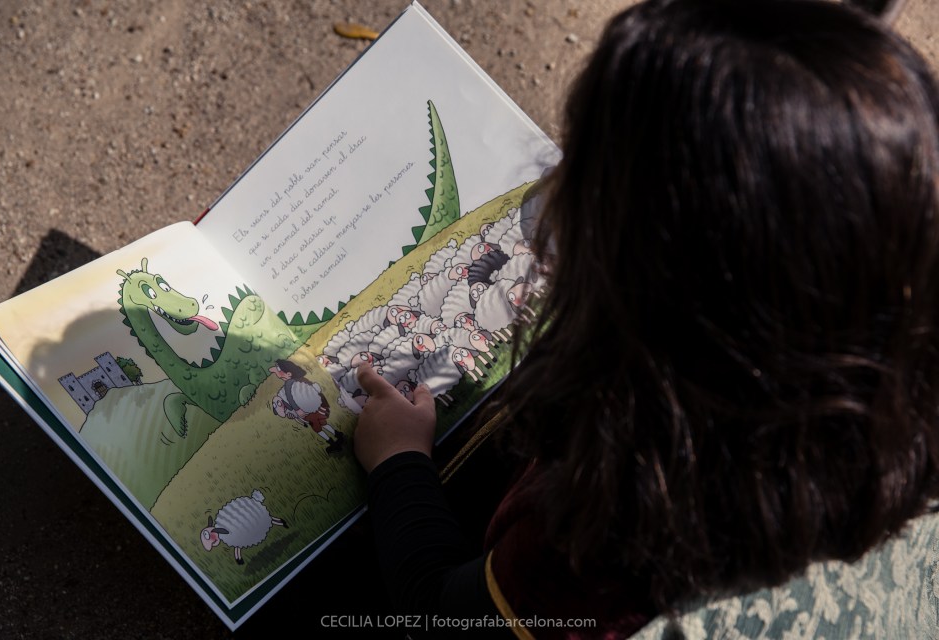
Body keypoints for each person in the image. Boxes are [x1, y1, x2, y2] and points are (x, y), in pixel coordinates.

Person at [353, 0, 939, 637]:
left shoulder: (615, 530)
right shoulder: (895, 373)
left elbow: (445, 616)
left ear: (660, 294)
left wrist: (398, 460)